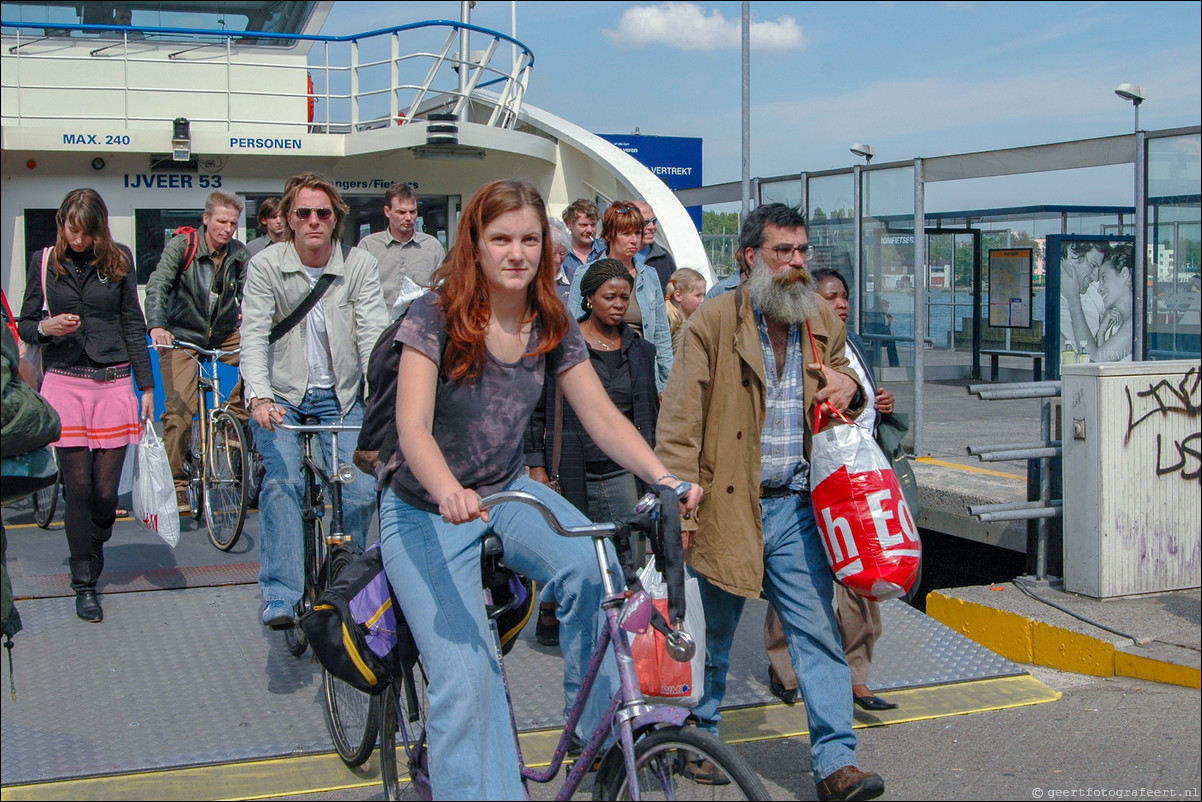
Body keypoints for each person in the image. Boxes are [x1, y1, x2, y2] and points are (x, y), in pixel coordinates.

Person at [376, 179, 700, 799]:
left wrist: (662, 478)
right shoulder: (434, 315)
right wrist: (445, 489)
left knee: (595, 566)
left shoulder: (549, 320)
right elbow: (411, 426)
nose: (516, 253)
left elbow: (603, 417)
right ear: (476, 241)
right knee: (467, 675)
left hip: (504, 491)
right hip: (425, 507)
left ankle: (603, 731)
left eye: (529, 239)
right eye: (501, 238)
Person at [656, 203, 884, 801]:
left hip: (798, 508)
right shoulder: (711, 321)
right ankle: (701, 735)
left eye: (803, 251)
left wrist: (851, 389)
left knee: (817, 634)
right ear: (749, 256)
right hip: (727, 505)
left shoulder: (815, 318)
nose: (796, 263)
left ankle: (837, 764)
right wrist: (679, 499)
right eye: (783, 251)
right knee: (716, 636)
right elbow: (680, 417)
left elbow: (849, 387)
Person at [239, 172, 389, 628]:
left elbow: (374, 335)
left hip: (342, 398)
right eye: (303, 213)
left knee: (362, 489)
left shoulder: (358, 265)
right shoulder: (267, 265)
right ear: (288, 219)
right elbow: (254, 334)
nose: (313, 221)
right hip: (283, 398)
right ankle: (281, 593)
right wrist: (260, 397)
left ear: (336, 219)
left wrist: (383, 395)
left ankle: (348, 581)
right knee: (283, 485)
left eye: (323, 213)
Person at [763, 267, 900, 712]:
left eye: (843, 295)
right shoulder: (804, 343)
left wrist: (874, 401)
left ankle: (857, 675)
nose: (839, 303)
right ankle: (784, 667)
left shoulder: (853, 341)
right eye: (829, 297)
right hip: (812, 480)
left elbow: (858, 395)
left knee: (862, 574)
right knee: (798, 575)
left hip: (857, 476)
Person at [18, 188, 155, 623]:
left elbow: (134, 323)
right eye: (69, 230)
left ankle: (94, 541)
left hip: (113, 382)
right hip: (64, 382)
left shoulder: (119, 259)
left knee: (103, 495)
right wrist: (47, 326)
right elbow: (24, 324)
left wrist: (146, 387)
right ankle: (85, 583)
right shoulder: (44, 261)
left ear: (98, 227)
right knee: (76, 490)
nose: (75, 240)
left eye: (83, 232)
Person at [525, 258, 661, 646]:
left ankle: (613, 637)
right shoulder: (561, 347)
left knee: (623, 555)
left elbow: (647, 413)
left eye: (625, 296)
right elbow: (536, 410)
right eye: (609, 296)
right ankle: (553, 615)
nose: (619, 304)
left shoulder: (641, 350)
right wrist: (536, 465)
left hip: (621, 471)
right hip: (569, 467)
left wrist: (655, 470)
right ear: (588, 298)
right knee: (573, 556)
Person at [144, 190, 251, 514]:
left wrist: (251, 315)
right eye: (221, 221)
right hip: (181, 334)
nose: (227, 228)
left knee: (264, 362)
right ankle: (178, 484)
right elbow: (158, 285)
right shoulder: (183, 247)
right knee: (179, 409)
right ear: (206, 219)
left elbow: (253, 293)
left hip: (223, 334)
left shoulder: (239, 254)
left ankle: (232, 418)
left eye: (233, 223)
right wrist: (157, 325)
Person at [567, 202, 674, 391]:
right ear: (609, 236)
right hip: (597, 371)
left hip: (641, 371)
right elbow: (573, 330)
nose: (634, 240)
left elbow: (661, 337)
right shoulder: (586, 273)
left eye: (638, 233)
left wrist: (667, 387)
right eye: (626, 234)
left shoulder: (648, 276)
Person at [357, 181, 446, 313]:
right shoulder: (368, 246)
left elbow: (442, 290)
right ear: (387, 212)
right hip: (380, 327)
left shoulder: (432, 247)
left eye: (413, 212)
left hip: (419, 326)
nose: (409, 218)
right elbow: (358, 293)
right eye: (402, 212)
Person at [1062, 244, 1134, 362]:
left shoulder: (1134, 324)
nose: (1099, 288)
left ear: (1124, 274)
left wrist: (1073, 298)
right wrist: (1101, 334)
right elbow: (1104, 363)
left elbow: (1094, 361)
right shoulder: (1119, 324)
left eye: (1104, 278)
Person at [633, 200, 678, 293]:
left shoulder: (664, 257)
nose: (652, 227)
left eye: (654, 221)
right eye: (646, 223)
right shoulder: (614, 257)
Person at [664, 267, 706, 356]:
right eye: (698, 295)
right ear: (678, 295)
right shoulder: (679, 327)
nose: (702, 300)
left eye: (704, 295)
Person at [560, 198, 604, 281]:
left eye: (593, 225)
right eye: (584, 225)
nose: (589, 230)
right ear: (569, 224)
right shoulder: (559, 253)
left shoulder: (606, 249)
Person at [547, 216, 572, 305]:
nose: (558, 260)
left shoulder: (574, 277)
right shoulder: (531, 279)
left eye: (562, 253)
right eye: (553, 254)